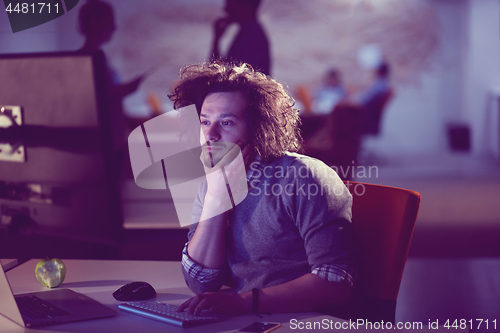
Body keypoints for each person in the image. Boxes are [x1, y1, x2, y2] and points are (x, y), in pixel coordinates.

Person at [168, 60, 358, 316]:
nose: (210, 135)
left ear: (258, 128)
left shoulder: (303, 177)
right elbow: (200, 281)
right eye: (204, 122)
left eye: (226, 123)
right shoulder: (213, 180)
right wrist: (216, 198)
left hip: (300, 321)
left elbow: (335, 282)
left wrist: (243, 302)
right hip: (243, 319)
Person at [210, 0, 271, 75]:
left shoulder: (251, 36)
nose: (225, 9)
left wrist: (216, 40)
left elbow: (222, 76)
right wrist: (217, 39)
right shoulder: (251, 31)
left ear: (246, 5)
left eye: (230, 3)